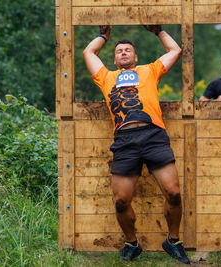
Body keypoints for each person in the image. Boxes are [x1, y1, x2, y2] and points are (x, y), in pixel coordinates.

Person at [83, 25, 190, 264]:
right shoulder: (106, 77)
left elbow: (175, 50)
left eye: (127, 50)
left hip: (153, 136)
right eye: (119, 50)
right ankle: (132, 243)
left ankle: (173, 241)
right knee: (121, 202)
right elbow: (88, 53)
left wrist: (159, 31)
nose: (123, 53)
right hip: (124, 141)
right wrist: (104, 36)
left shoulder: (149, 70)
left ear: (135, 56)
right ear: (114, 57)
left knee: (173, 194)